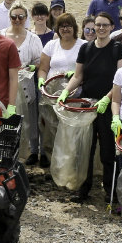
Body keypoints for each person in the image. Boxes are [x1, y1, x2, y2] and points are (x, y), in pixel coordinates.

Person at [62, 13, 122, 202]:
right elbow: (78, 76)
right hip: (87, 106)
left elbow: (121, 80)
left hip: (108, 106)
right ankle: (83, 190)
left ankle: (111, 191)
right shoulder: (86, 48)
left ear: (111, 26)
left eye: (104, 25)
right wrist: (66, 92)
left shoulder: (119, 49)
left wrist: (107, 99)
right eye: (96, 26)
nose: (100, 29)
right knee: (85, 149)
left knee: (108, 150)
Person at [37, 13, 85, 168]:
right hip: (51, 95)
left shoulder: (83, 45)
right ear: (57, 29)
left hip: (73, 96)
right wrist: (41, 80)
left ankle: (70, 165)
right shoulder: (51, 45)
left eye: (68, 25)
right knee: (51, 129)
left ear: (75, 28)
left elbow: (86, 71)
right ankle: (54, 165)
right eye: (62, 26)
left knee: (70, 132)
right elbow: (43, 68)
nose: (65, 29)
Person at [2, 2, 43, 164]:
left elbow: (41, 61)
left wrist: (32, 66)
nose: (17, 19)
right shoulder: (1, 35)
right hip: (6, 84)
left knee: (29, 118)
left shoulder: (33, 38)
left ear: (26, 18)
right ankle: (8, 148)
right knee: (8, 115)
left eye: (21, 16)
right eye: (14, 16)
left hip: (26, 83)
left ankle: (32, 150)